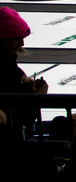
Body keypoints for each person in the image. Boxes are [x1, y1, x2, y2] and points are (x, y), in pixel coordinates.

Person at [0, 7, 48, 136]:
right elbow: (25, 117)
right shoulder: (9, 70)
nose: (22, 43)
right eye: (16, 38)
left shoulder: (11, 68)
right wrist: (32, 95)